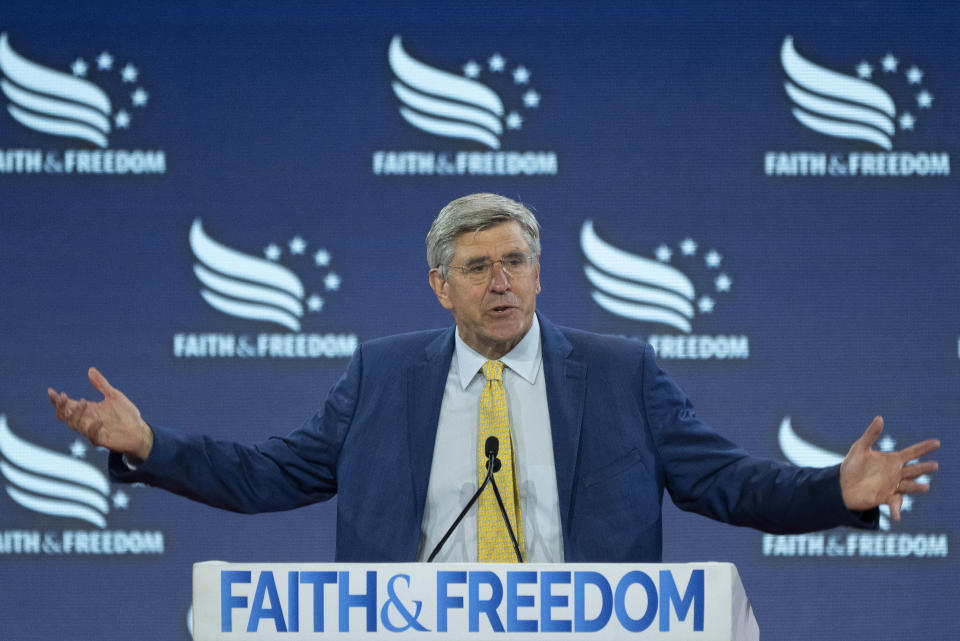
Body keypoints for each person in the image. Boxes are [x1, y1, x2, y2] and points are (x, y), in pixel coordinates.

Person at [48, 193, 939, 562]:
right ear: (442, 285)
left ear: (542, 274)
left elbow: (728, 482)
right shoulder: (384, 374)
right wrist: (150, 444)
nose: (502, 280)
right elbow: (272, 472)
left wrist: (837, 490)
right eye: (478, 267)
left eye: (516, 261)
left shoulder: (623, 374)